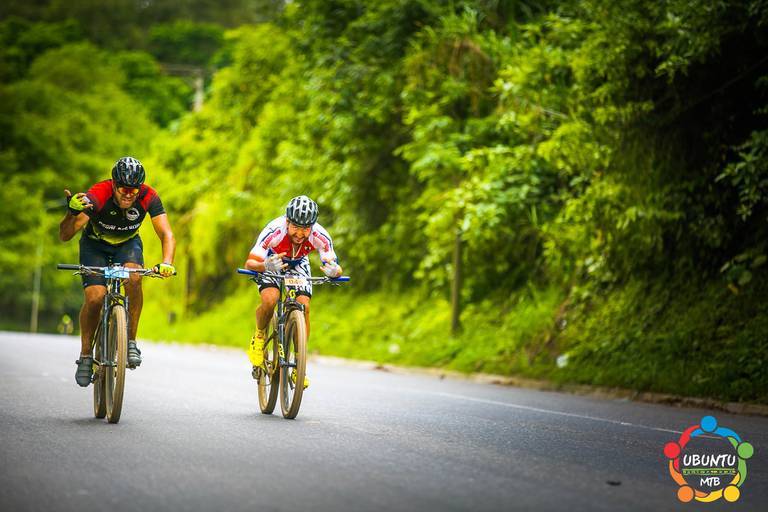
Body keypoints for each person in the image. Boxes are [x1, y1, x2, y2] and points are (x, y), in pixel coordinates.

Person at [59, 156, 176, 387]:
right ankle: (85, 355)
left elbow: (167, 234)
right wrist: (71, 213)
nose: (128, 195)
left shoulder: (148, 196)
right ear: (113, 184)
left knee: (134, 277)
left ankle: (130, 342)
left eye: (134, 190)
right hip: (95, 245)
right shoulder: (98, 195)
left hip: (127, 245)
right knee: (95, 297)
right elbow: (65, 235)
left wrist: (167, 262)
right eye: (123, 189)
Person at [243, 195, 343, 388]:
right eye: (296, 227)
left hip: (298, 264)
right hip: (272, 260)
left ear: (312, 226)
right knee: (271, 299)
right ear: (287, 221)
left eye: (305, 228)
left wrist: (335, 271)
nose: (300, 233)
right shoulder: (274, 230)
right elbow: (250, 263)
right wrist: (265, 265)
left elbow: (334, 265)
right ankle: (259, 336)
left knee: (304, 306)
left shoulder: (320, 235)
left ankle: (299, 364)